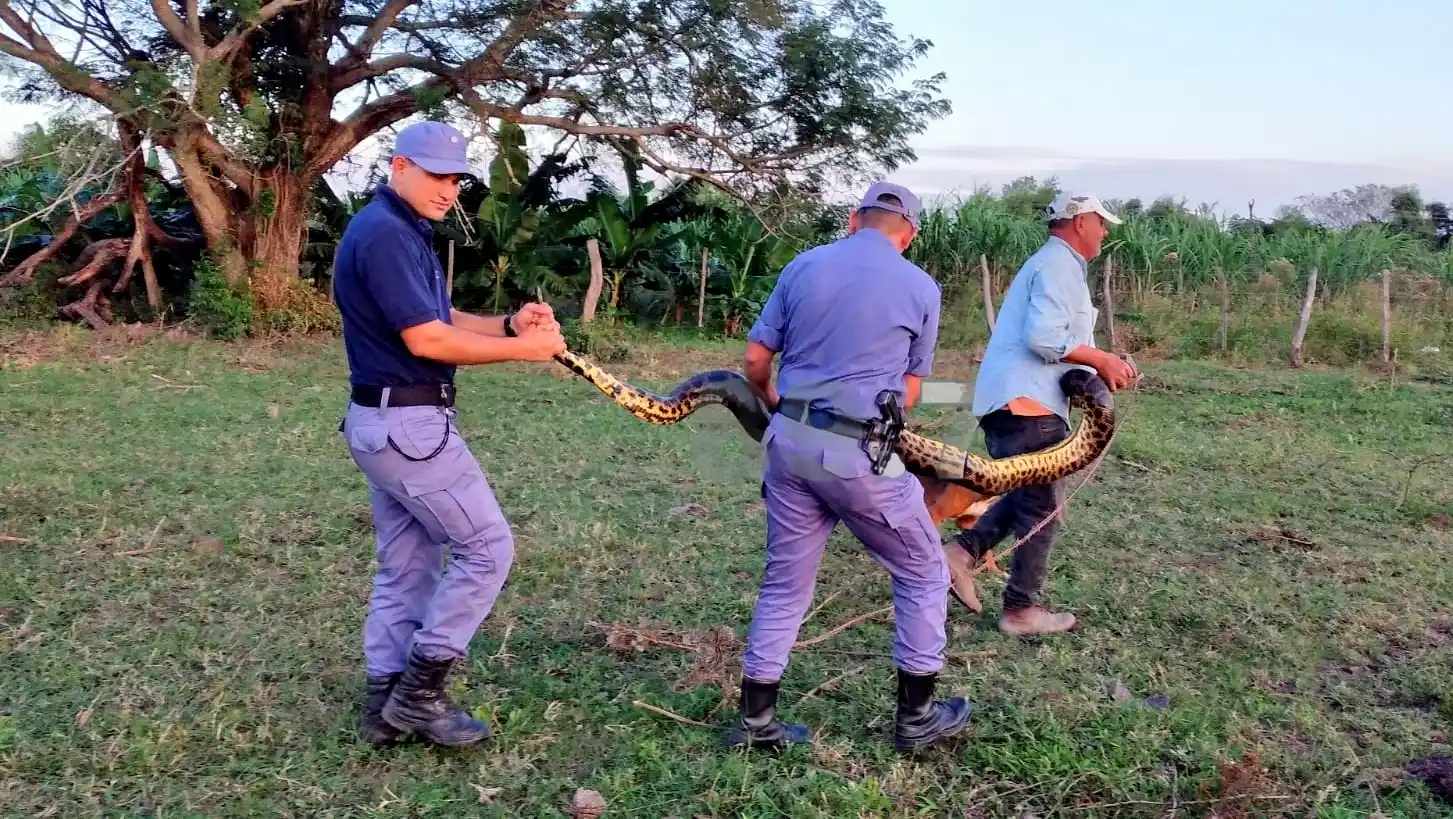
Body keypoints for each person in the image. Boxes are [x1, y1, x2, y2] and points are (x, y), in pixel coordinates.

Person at [331, 120, 567, 748]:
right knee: (488, 549)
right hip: (408, 425)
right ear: (398, 166)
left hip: (382, 423)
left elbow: (437, 317)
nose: (447, 189)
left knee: (405, 565)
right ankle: (420, 694)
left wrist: (509, 325)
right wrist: (527, 353)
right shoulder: (385, 234)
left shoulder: (399, 230)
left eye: (456, 178)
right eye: (435, 174)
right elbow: (427, 339)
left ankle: (385, 703)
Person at [726, 181, 972, 754]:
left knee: (785, 584)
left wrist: (773, 398)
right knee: (923, 571)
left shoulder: (802, 267)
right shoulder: (921, 287)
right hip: (861, 452)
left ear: (852, 219)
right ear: (908, 234)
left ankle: (758, 723)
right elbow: (910, 392)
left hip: (788, 442)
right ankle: (917, 719)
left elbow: (755, 359)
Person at [944, 192, 1139, 636]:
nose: (1105, 231)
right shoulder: (1058, 265)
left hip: (1016, 400)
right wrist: (1100, 359)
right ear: (1081, 221)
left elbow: (1059, 343)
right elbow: (1045, 338)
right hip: (1026, 402)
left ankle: (961, 553)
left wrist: (1099, 362)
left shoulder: (1058, 265)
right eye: (1101, 223)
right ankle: (1020, 610)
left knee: (1030, 495)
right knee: (1044, 508)